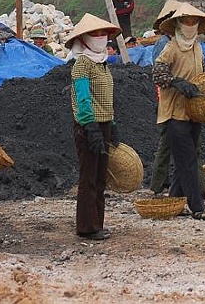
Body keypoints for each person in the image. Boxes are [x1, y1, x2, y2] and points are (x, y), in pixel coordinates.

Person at [152, 2, 205, 220]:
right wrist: (177, 82)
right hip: (174, 112)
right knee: (186, 157)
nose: (190, 25)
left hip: (194, 111)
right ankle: (196, 205)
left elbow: (202, 72)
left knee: (188, 156)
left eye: (193, 22)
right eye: (186, 21)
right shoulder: (171, 47)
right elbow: (158, 73)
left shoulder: (197, 47)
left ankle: (175, 197)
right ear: (178, 24)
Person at [66, 13, 122, 240]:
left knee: (100, 177)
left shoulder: (103, 64)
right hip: (88, 126)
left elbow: (106, 98)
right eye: (95, 34)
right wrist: (90, 128)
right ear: (85, 38)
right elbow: (83, 99)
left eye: (103, 33)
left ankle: (97, 223)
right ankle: (87, 226)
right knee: (88, 177)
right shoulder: (82, 64)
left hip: (104, 123)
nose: (100, 37)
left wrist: (112, 123)